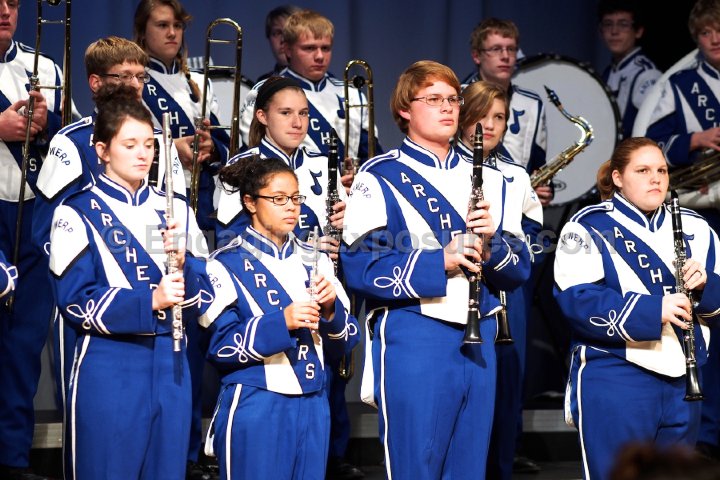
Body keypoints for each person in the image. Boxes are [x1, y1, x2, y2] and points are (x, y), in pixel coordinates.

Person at [340, 60, 530, 479]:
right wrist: (439, 260)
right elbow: (361, 266)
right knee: (417, 464)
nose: (447, 108)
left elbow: (519, 270)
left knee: (469, 467)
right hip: (415, 327)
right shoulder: (380, 175)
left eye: (452, 99)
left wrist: (491, 244)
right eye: (433, 99)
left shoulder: (493, 178)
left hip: (480, 332)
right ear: (405, 109)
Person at [48, 85, 206, 480]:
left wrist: (184, 266)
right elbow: (76, 301)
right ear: (102, 150)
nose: (142, 154)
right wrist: (148, 300)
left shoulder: (174, 208)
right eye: (129, 144)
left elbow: (203, 296)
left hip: (171, 361)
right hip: (110, 361)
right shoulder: (76, 211)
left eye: (149, 145)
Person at [34, 35, 186, 421]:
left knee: (162, 414)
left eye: (140, 76)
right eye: (123, 76)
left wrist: (158, 266)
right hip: (93, 298)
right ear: (96, 82)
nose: (134, 85)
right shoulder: (72, 141)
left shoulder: (159, 142)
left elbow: (171, 215)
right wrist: (97, 270)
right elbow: (47, 230)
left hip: (158, 297)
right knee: (93, 418)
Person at [216, 76, 360, 480]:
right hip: (263, 333)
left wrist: (341, 228)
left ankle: (334, 455)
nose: (297, 122)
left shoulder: (320, 162)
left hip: (314, 281)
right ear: (262, 117)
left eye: (303, 113)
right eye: (286, 113)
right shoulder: (243, 168)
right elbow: (236, 241)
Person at [554, 137, 720, 480]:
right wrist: (653, 310)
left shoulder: (697, 226)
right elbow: (578, 300)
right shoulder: (587, 225)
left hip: (684, 380)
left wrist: (704, 287)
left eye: (661, 170)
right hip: (616, 374)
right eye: (642, 171)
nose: (656, 178)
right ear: (618, 177)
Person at [455, 80, 543, 480]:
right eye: (480, 115)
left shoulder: (516, 175)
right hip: (458, 286)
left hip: (507, 293)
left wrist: (506, 250)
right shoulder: (444, 166)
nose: (489, 125)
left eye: (499, 117)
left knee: (507, 393)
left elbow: (532, 233)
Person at [643, 0, 720, 456]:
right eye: (707, 32)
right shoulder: (679, 84)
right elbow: (648, 145)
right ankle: (707, 435)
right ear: (696, 38)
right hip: (705, 211)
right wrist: (696, 139)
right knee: (709, 321)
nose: (716, 39)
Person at [0, 0, 67, 476]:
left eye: (12, 1)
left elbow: (72, 141)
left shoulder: (45, 66)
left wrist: (49, 123)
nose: (4, 10)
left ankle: (12, 457)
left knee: (23, 347)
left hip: (33, 213)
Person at [134, 0, 230, 234]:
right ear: (142, 32)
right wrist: (170, 147)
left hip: (203, 196)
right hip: (152, 194)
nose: (172, 33)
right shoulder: (133, 80)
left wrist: (211, 147)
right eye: (162, 25)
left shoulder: (200, 82)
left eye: (177, 26)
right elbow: (119, 143)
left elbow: (225, 147)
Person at [240, 9, 381, 168]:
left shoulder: (352, 94)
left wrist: (357, 177)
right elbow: (254, 154)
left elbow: (371, 156)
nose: (319, 56)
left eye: (325, 48)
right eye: (309, 48)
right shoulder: (264, 91)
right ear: (287, 49)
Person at [462, 17, 552, 206]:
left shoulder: (531, 103)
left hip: (516, 207)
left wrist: (544, 189)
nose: (505, 56)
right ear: (476, 56)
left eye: (511, 49)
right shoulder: (458, 96)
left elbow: (538, 162)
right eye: (496, 49)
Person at [598, 0, 661, 139]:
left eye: (623, 24)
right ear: (601, 31)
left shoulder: (646, 73)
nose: (614, 31)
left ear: (638, 31)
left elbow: (653, 131)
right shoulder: (607, 72)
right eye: (608, 24)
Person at [257, 4, 302, 82]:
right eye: (277, 33)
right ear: (268, 38)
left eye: (290, 31)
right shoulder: (262, 84)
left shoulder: (324, 83)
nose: (283, 39)